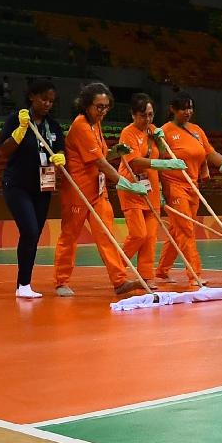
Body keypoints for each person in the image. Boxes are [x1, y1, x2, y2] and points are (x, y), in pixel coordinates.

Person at [53, 82, 145, 297]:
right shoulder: (81, 125)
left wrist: (114, 152)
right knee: (70, 236)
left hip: (97, 190)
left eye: (106, 107)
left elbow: (100, 158)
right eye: (99, 106)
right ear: (86, 105)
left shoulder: (96, 125)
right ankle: (61, 281)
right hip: (77, 190)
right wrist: (126, 183)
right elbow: (100, 163)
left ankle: (119, 280)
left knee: (107, 236)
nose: (103, 111)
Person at [155, 94, 222, 286]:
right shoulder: (164, 132)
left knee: (177, 230)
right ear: (173, 109)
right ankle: (194, 274)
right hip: (174, 187)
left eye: (190, 108)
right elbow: (156, 162)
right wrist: (160, 191)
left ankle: (162, 271)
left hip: (193, 187)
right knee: (186, 230)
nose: (188, 112)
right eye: (183, 108)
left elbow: (210, 153)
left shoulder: (197, 131)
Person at [0, 77, 66, 299]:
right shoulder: (17, 119)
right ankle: (23, 284)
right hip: (17, 185)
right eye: (43, 99)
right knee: (29, 230)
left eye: (51, 101)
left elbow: (60, 150)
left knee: (33, 235)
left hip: (43, 187)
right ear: (32, 97)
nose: (47, 104)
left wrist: (60, 158)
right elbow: (4, 151)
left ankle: (24, 284)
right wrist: (21, 130)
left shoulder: (53, 126)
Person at [115, 94, 186, 285]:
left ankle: (146, 276)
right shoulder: (127, 133)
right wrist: (166, 165)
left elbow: (162, 154)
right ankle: (116, 267)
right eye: (143, 115)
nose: (148, 119)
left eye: (150, 115)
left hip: (151, 190)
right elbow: (135, 162)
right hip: (132, 188)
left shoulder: (153, 131)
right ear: (133, 115)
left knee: (151, 236)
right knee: (139, 234)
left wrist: (161, 141)